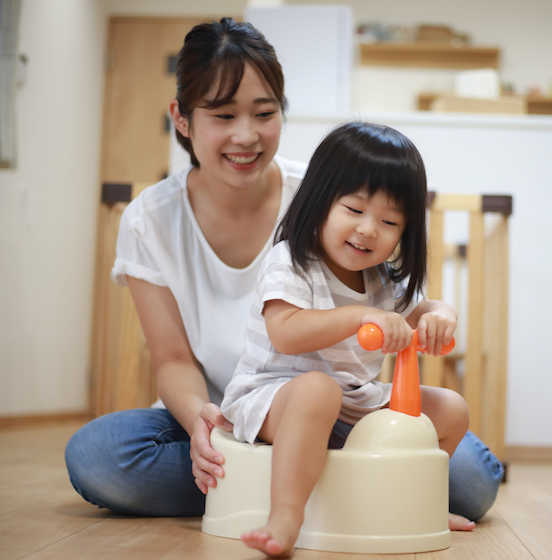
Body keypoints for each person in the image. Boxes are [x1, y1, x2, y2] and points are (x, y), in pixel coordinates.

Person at [64, 17, 503, 527]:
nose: (246, 135)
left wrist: (437, 313)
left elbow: (412, 302)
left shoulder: (330, 197)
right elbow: (172, 358)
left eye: (264, 112)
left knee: (472, 480)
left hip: (351, 408)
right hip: (240, 410)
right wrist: (198, 422)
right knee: (99, 457)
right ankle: (334, 497)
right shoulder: (154, 218)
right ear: (182, 119)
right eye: (223, 115)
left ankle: (304, 489)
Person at [221, 121, 471, 557]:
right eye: (354, 210)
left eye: (389, 220)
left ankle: (419, 502)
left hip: (353, 401)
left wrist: (441, 315)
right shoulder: (291, 261)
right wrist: (359, 316)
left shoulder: (381, 280)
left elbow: (417, 313)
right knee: (317, 390)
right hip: (275, 397)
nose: (369, 229)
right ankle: (285, 515)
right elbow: (286, 332)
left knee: (450, 408)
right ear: (320, 202)